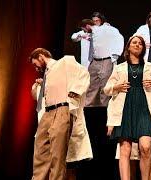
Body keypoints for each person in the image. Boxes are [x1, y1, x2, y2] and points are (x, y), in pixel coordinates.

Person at [104, 35, 151, 180]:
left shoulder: (150, 66)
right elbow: (106, 89)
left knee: (145, 147)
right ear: (128, 47)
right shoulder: (119, 68)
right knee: (125, 149)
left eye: (140, 43)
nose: (137, 45)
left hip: (144, 109)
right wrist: (117, 87)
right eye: (134, 42)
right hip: (125, 109)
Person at [29, 48, 92, 180]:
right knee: (40, 152)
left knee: (57, 156)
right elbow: (37, 98)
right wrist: (38, 86)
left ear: (41, 56)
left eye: (36, 64)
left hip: (62, 109)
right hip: (47, 113)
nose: (36, 69)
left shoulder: (64, 62)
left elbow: (83, 73)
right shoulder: (47, 74)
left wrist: (75, 91)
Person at [115, 90, 151, 180]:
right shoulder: (124, 78)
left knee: (149, 160)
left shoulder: (150, 78)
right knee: (129, 160)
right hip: (128, 124)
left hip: (147, 126)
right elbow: (114, 100)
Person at [72, 14, 124, 107]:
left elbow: (119, 38)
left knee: (105, 85)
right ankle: (88, 107)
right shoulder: (90, 33)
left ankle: (104, 108)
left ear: (87, 26)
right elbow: (74, 37)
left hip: (106, 60)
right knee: (91, 84)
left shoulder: (106, 29)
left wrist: (115, 55)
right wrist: (82, 35)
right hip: (94, 61)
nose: (85, 32)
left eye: (84, 29)